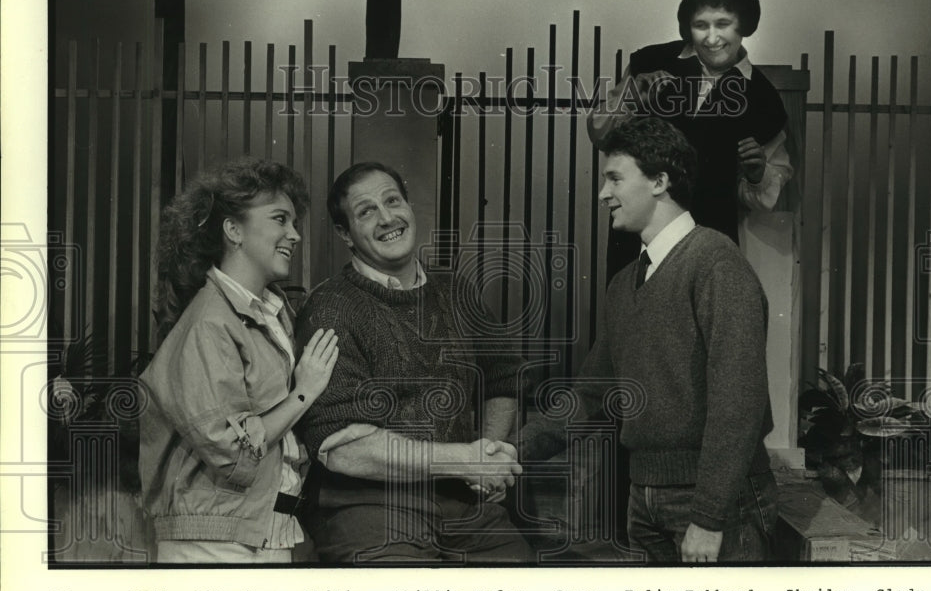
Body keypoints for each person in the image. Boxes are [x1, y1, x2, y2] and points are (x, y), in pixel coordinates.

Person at [522, 117, 779, 563]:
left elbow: (738, 402)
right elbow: (589, 395)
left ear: (659, 181)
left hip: (712, 506)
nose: (603, 193)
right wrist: (511, 451)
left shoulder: (716, 263)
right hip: (644, 500)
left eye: (615, 178)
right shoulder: (625, 284)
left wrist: (709, 516)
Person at [293, 162, 533, 564]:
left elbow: (503, 377)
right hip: (366, 509)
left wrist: (489, 453)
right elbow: (341, 447)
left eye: (392, 200)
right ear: (344, 234)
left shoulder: (456, 292)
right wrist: (463, 461)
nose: (387, 218)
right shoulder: (330, 307)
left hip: (463, 507)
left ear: (409, 206)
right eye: (366, 211)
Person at [139, 158, 339, 563]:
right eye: (280, 219)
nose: (294, 234)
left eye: (294, 222)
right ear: (233, 230)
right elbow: (233, 453)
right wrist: (304, 394)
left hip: (262, 531)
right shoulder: (209, 322)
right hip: (212, 543)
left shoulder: (271, 310)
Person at [587, 0, 793, 274]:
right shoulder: (649, 64)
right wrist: (632, 97)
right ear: (688, 26)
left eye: (723, 24)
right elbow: (599, 133)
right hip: (636, 239)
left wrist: (757, 173)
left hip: (709, 241)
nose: (712, 38)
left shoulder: (764, 99)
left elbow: (765, 193)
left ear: (744, 25)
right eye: (701, 25)